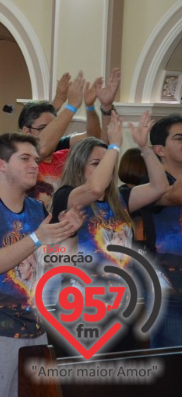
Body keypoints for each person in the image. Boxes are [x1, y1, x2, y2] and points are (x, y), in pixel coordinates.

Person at [0, 132, 84, 397]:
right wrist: (38, 238)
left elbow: (56, 267)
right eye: (24, 158)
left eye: (35, 159)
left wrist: (68, 233)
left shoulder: (37, 209)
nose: (34, 165)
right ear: (1, 165)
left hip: (35, 328)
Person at [47, 112, 169, 350]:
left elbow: (160, 187)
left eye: (109, 163)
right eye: (97, 163)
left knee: (124, 383)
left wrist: (145, 148)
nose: (107, 168)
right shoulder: (67, 196)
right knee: (88, 384)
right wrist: (113, 145)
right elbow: (94, 189)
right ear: (79, 167)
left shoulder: (120, 199)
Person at [135, 113, 182, 347]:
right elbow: (175, 196)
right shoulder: (152, 183)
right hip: (169, 284)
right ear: (160, 150)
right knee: (172, 366)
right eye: (180, 138)